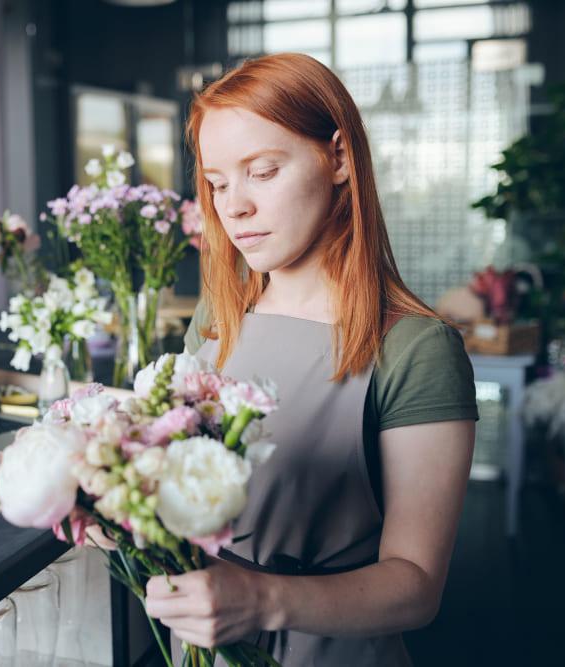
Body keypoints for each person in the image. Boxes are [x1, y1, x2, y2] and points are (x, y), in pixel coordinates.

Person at [144, 53, 478, 665]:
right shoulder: (216, 322)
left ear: (340, 158)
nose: (234, 206)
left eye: (263, 171)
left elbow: (416, 587)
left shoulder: (415, 349)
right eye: (217, 183)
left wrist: (262, 599)